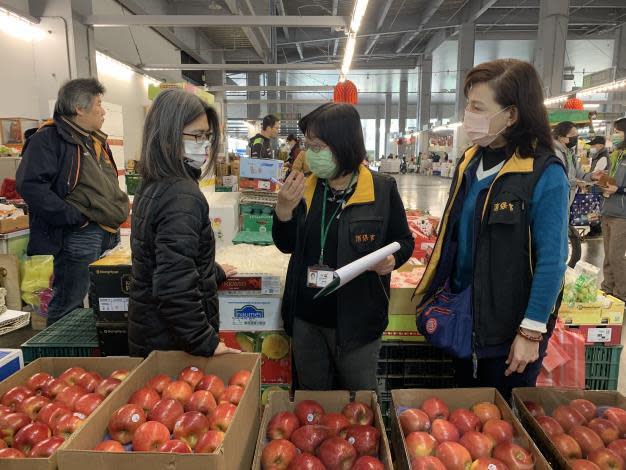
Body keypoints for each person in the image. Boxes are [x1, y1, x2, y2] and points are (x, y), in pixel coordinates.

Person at [413, 59, 569, 400]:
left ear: (511, 115)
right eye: (468, 104)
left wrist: (531, 331)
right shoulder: (470, 161)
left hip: (509, 329)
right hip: (463, 314)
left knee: (501, 421)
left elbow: (553, 259)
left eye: (478, 107)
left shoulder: (543, 172)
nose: (468, 114)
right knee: (463, 419)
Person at [272, 103, 414, 391]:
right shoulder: (305, 188)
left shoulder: (381, 189)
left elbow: (405, 241)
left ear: (344, 145)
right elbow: (286, 245)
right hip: (307, 320)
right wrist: (284, 211)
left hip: (358, 323)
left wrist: (393, 260)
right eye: (308, 146)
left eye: (319, 146)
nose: (311, 154)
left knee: (360, 399)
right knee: (313, 401)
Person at [127, 89, 239, 358]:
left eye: (207, 136)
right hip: (173, 347)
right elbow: (173, 287)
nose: (205, 144)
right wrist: (205, 341)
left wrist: (209, 271)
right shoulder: (181, 193)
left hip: (150, 334)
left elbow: (167, 258)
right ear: (167, 136)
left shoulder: (154, 182)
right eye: (197, 135)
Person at [17, 78, 129, 326]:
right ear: (79, 108)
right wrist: (73, 217)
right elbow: (31, 186)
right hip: (78, 234)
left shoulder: (92, 139)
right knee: (69, 301)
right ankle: (61, 358)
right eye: (99, 104)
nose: (103, 110)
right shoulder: (48, 139)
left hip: (106, 231)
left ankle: (89, 353)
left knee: (102, 299)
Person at [591, 118, 626, 301]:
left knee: (616, 255)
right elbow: (611, 181)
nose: (614, 135)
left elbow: (620, 186)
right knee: (608, 255)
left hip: (622, 215)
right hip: (608, 210)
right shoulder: (615, 156)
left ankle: (622, 294)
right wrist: (601, 179)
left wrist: (619, 190)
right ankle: (608, 289)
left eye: (618, 131)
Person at [553, 121, 586, 206]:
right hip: (557, 199)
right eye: (573, 134)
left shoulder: (570, 153)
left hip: (567, 199)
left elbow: (580, 174)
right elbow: (559, 178)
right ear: (561, 137)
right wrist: (576, 182)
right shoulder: (555, 153)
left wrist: (592, 176)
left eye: (576, 134)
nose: (576, 137)